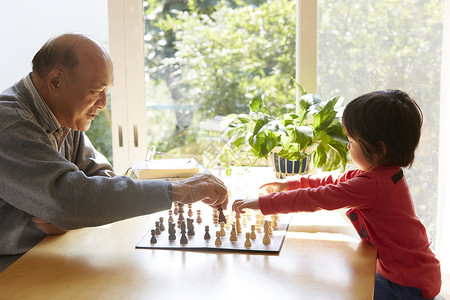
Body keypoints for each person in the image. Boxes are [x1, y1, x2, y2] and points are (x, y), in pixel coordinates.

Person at [0, 33, 228, 272]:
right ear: (56, 82)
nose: (103, 103)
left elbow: (100, 183)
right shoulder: (9, 125)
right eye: (95, 90)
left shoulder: (65, 117)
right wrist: (180, 189)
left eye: (106, 90)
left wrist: (71, 213)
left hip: (44, 259)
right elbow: (71, 199)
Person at [232, 90, 441, 299]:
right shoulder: (380, 175)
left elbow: (317, 198)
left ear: (379, 150)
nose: (348, 146)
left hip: (406, 283)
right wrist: (288, 184)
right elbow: (332, 181)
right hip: (413, 272)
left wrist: (261, 203)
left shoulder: (373, 184)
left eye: (352, 141)